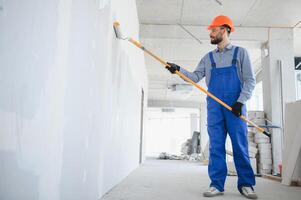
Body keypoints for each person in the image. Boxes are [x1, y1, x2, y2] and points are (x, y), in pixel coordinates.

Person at [166, 15, 257, 199]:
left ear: (224, 29)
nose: (211, 34)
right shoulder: (208, 58)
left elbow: (250, 80)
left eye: (213, 30)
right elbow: (194, 77)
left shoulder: (241, 53)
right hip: (215, 107)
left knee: (240, 146)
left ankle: (246, 184)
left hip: (235, 107)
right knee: (216, 147)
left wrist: (240, 102)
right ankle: (216, 184)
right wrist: (178, 70)